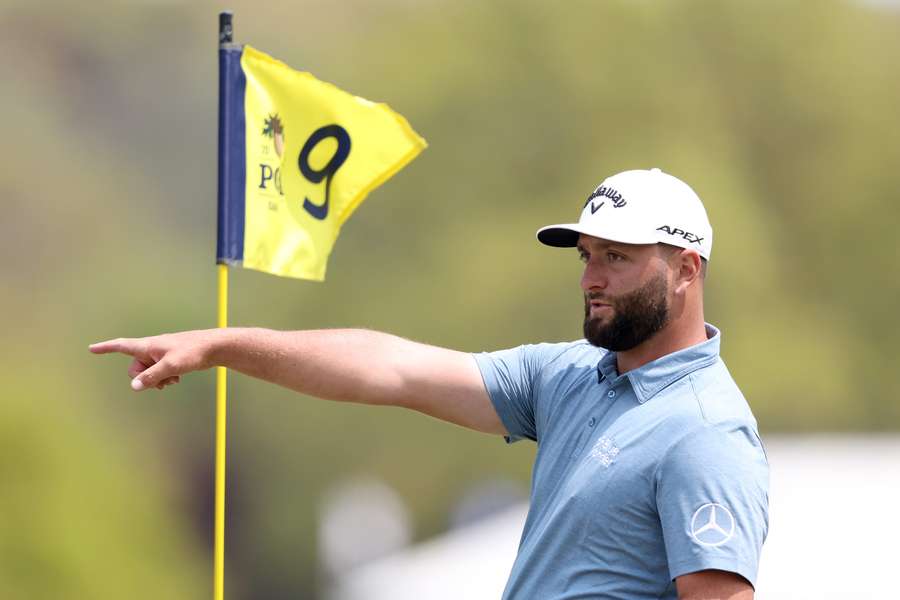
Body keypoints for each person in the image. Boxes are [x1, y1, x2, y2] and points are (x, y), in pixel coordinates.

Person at [91, 168, 769, 600]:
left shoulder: (705, 432)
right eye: (588, 256)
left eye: (617, 258)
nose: (591, 278)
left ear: (685, 270)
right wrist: (222, 345)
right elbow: (390, 367)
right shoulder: (570, 376)